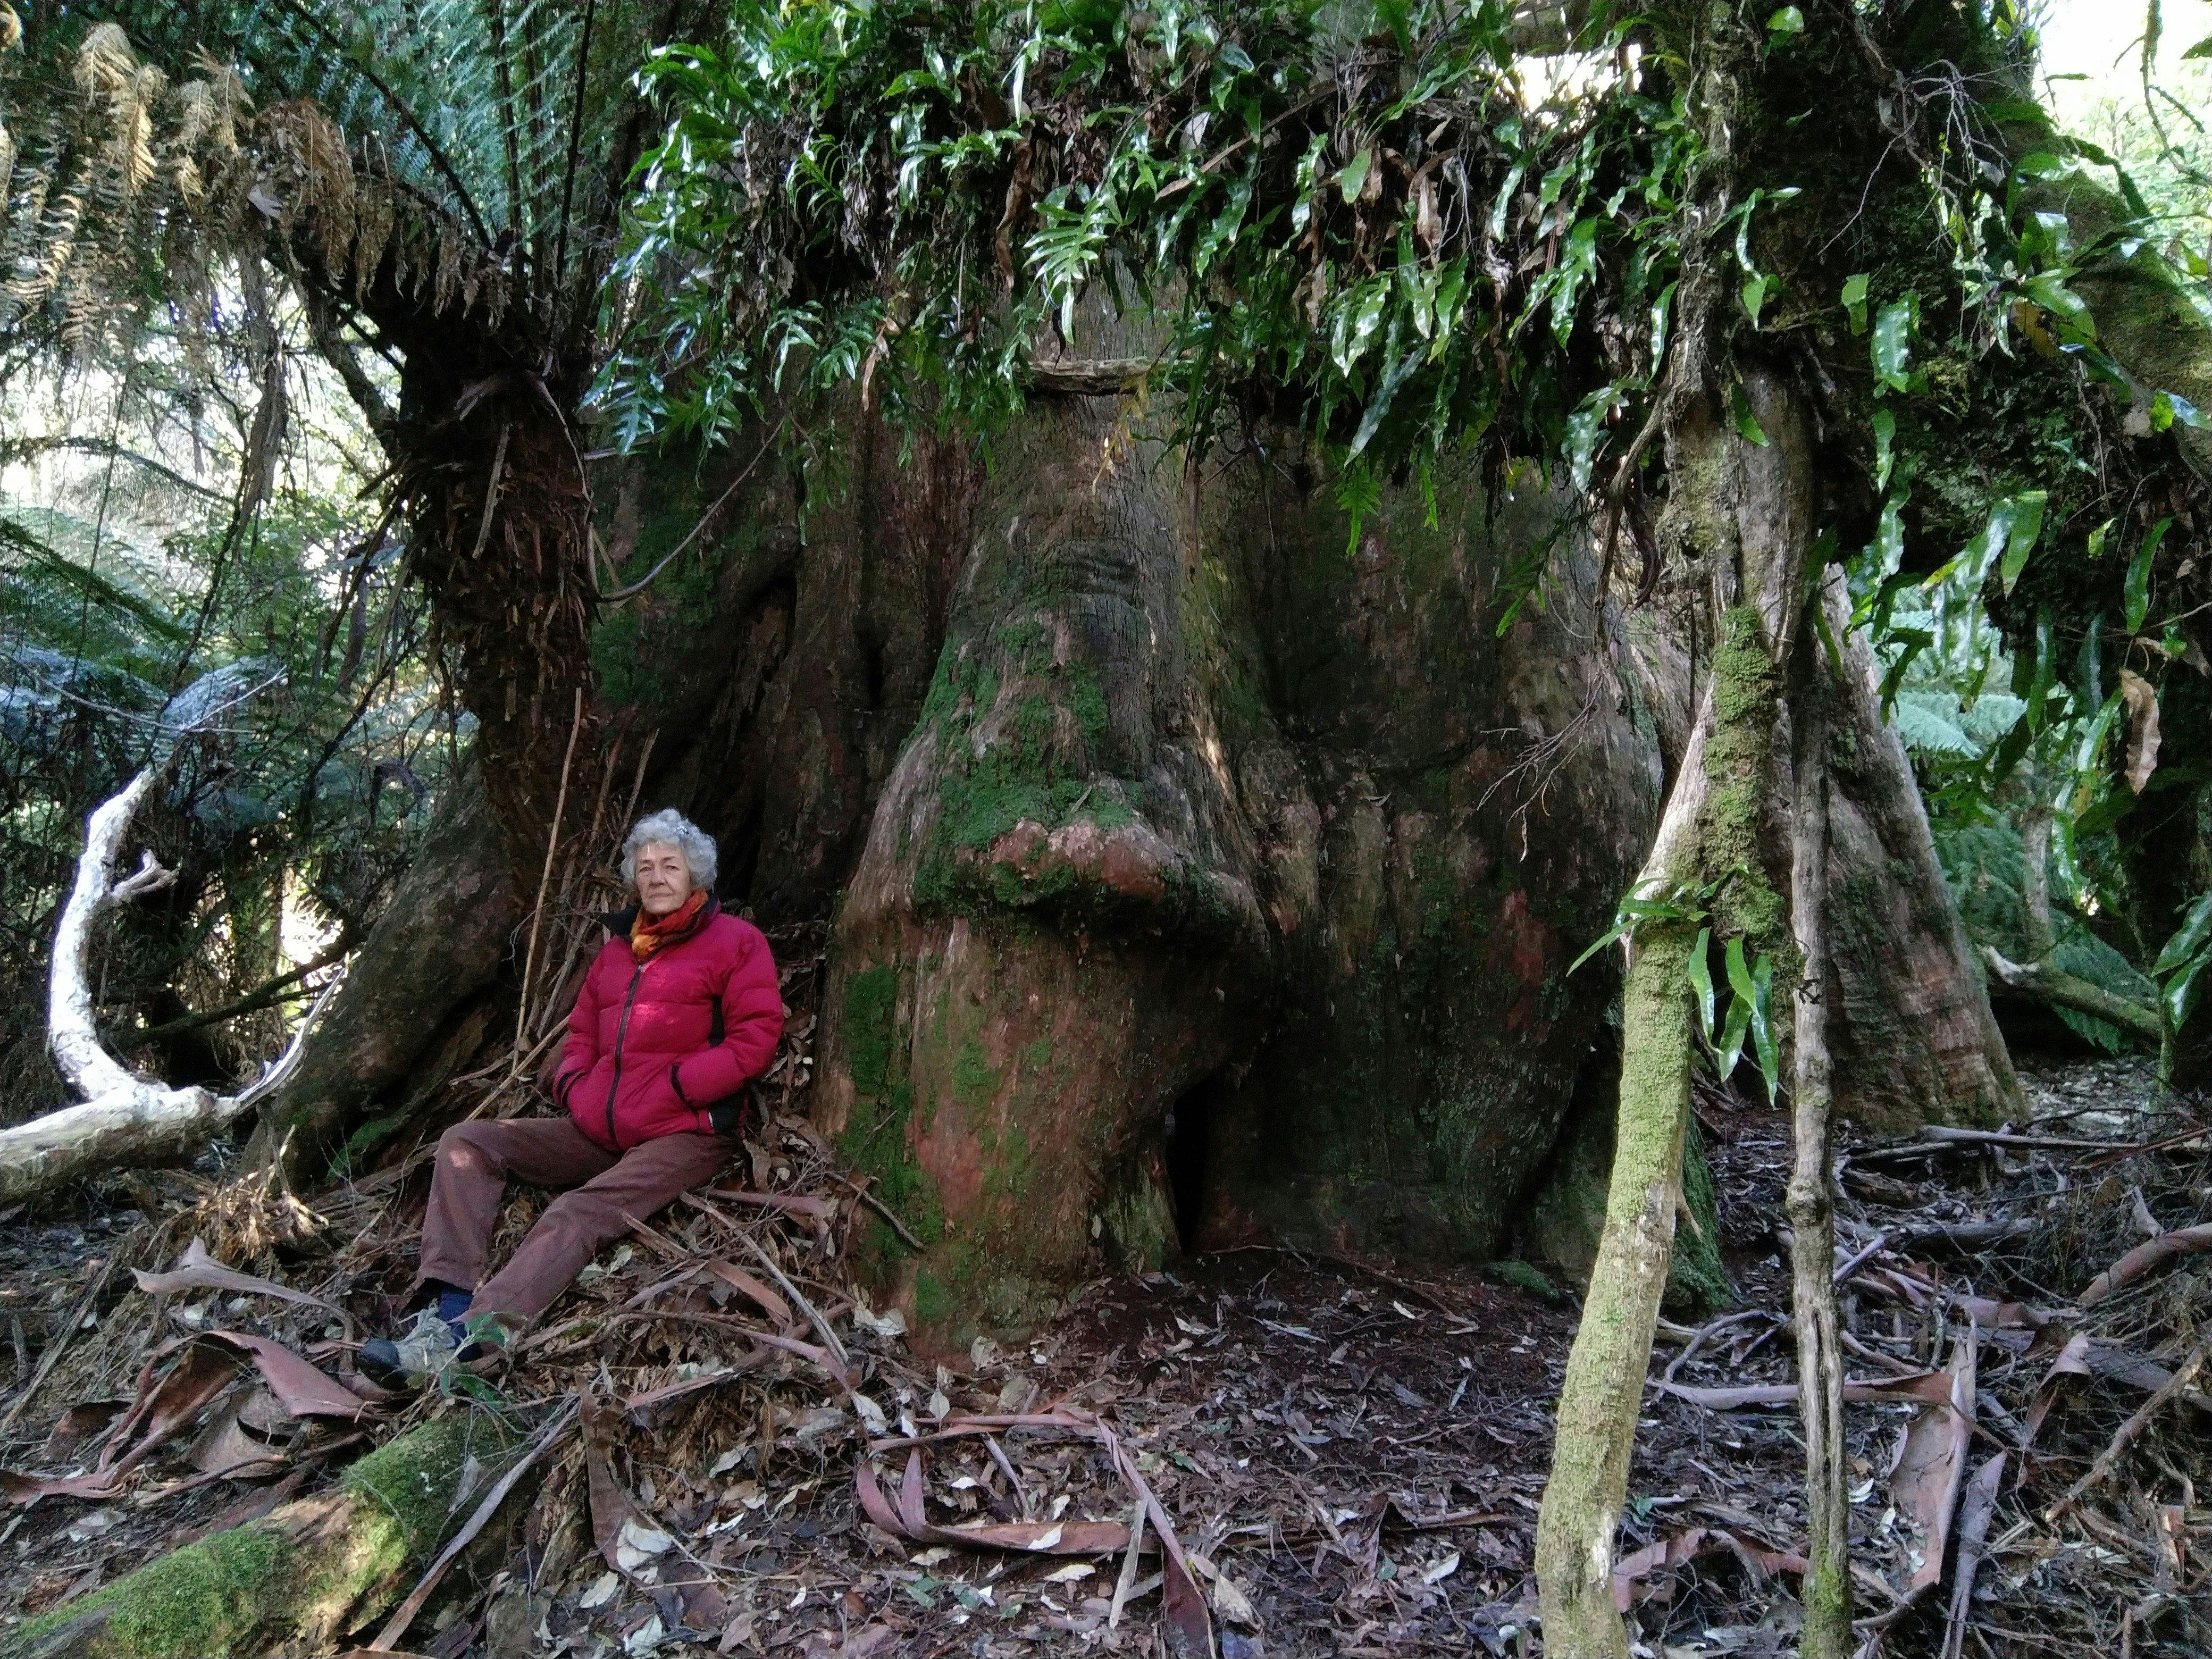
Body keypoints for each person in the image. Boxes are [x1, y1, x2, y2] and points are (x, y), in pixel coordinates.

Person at [360, 809, 783, 1387]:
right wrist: (571, 1086)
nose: (656, 877)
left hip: (685, 1134)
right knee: (467, 1143)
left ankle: (474, 1343)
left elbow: (754, 1041)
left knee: (575, 1211)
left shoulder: (736, 943)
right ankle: (446, 1308)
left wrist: (676, 1087)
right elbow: (580, 1036)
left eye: (670, 866)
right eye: (645, 867)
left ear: (697, 876)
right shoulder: (616, 953)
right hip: (598, 1130)